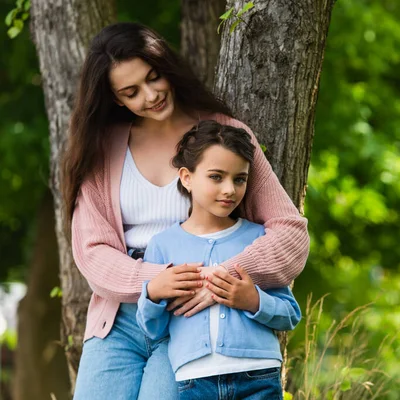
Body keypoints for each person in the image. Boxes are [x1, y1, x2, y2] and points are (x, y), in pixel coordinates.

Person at [63, 22, 309, 400]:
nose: (151, 95)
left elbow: (290, 234)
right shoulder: (101, 151)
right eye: (131, 92)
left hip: (194, 318)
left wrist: (217, 279)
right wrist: (156, 281)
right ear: (115, 99)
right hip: (120, 318)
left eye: (154, 77)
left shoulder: (224, 134)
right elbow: (92, 254)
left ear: (166, 66)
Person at [137, 120, 301, 399]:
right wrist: (152, 294)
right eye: (216, 177)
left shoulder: (260, 239)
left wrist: (254, 301)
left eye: (239, 179)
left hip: (259, 375)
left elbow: (290, 314)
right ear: (187, 177)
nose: (230, 190)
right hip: (194, 381)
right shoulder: (163, 245)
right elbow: (153, 330)